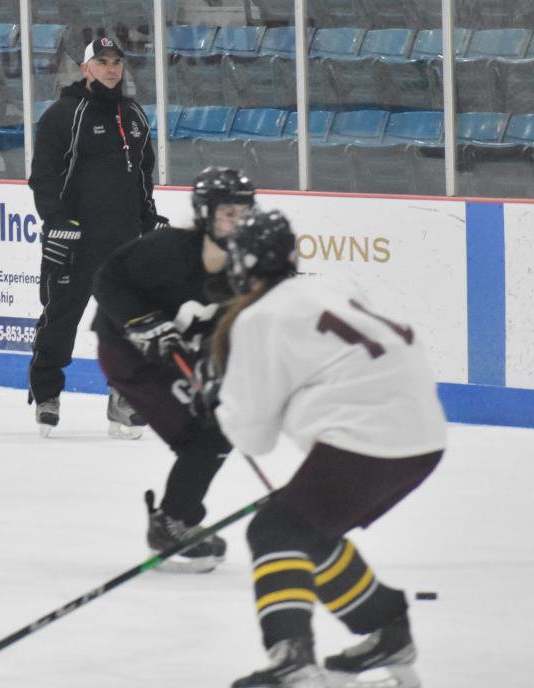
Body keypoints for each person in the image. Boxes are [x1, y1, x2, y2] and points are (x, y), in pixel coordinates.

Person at [202, 208, 444, 688]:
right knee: (308, 531)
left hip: (371, 440)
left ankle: (291, 658)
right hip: (426, 436)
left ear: (240, 265)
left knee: (275, 530)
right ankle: (385, 628)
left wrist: (221, 401)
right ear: (293, 253)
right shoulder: (333, 285)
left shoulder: (257, 319)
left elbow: (255, 437)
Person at [91, 167, 255, 573]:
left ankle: (175, 520)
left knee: (217, 428)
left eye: (244, 212)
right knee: (204, 435)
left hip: (180, 356)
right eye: (228, 213)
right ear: (205, 213)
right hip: (128, 354)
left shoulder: (244, 268)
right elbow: (107, 279)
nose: (238, 222)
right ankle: (174, 521)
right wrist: (143, 322)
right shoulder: (168, 249)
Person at [26, 35, 167, 439]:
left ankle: (122, 400)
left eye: (117, 62)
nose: (111, 68)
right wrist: (56, 222)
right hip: (74, 241)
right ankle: (47, 392)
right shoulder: (63, 115)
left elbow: (142, 176)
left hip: (123, 244)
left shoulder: (135, 114)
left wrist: (148, 220)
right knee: (60, 320)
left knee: (127, 323)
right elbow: (44, 178)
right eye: (102, 61)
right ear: (85, 68)